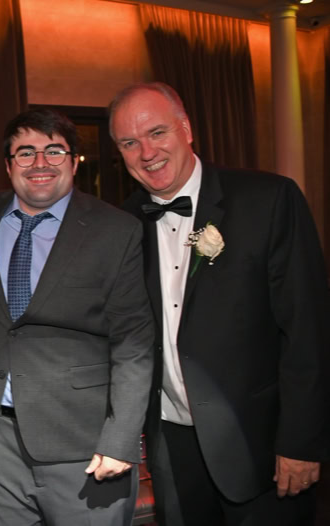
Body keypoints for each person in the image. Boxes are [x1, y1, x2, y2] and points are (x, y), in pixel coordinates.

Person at [112, 81, 330, 526]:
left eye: (157, 133)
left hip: (261, 446)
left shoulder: (267, 200)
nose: (147, 152)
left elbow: (308, 329)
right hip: (171, 449)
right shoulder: (121, 224)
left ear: (187, 129)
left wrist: (302, 442)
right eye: (129, 143)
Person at [0, 108, 154, 524]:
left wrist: (121, 439)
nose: (39, 163)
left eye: (54, 151)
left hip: (82, 444)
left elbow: (134, 342)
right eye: (25, 153)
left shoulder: (116, 229)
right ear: (8, 165)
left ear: (75, 161)